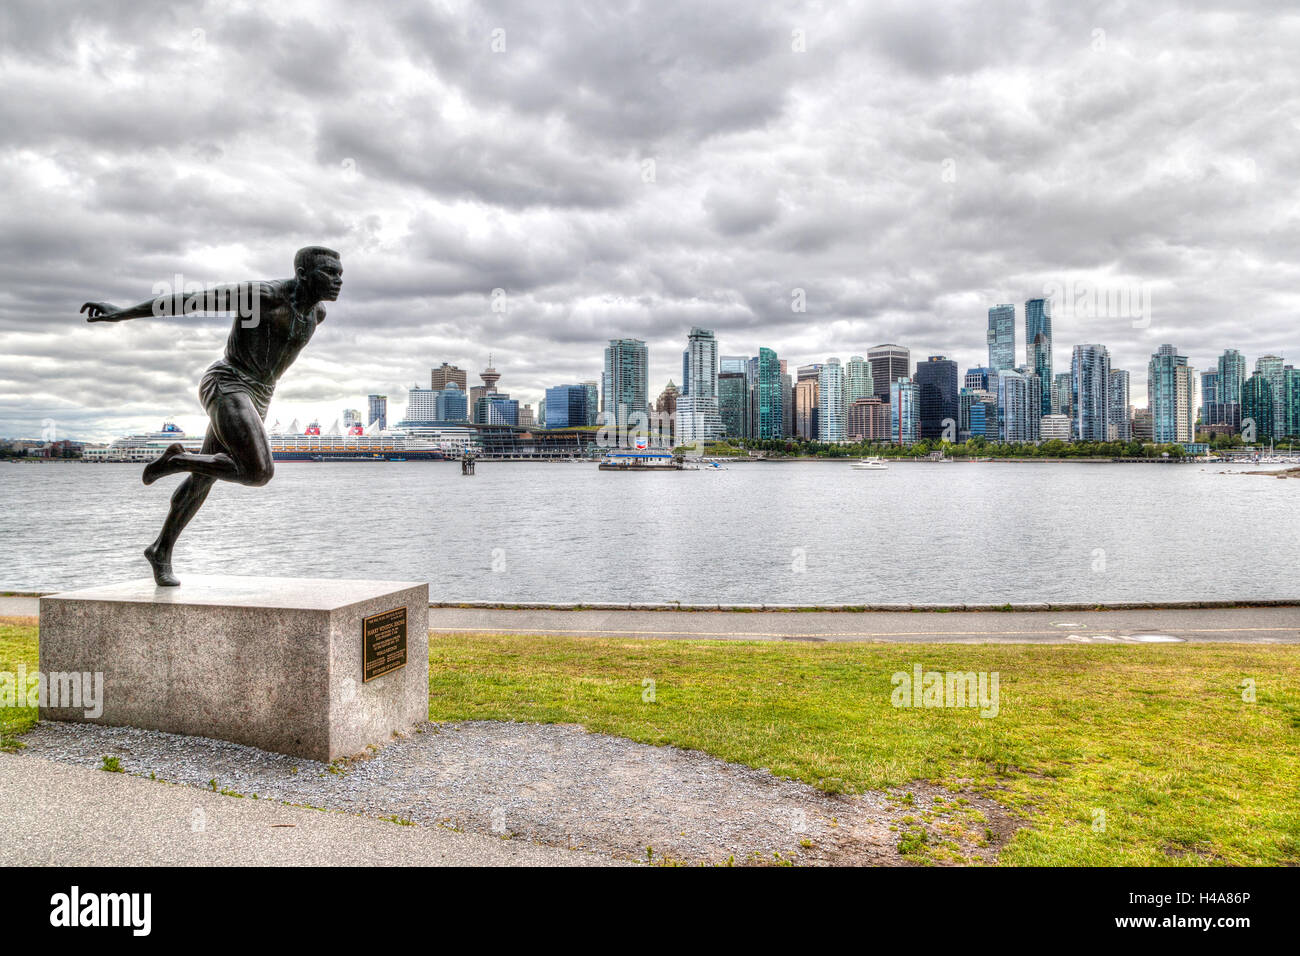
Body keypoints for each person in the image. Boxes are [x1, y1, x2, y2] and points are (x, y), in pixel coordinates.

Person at [80, 246, 343, 586]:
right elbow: (192, 300)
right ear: (303, 274)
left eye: (340, 274)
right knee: (258, 472)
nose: (338, 281)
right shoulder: (261, 296)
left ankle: (161, 550)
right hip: (227, 384)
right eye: (329, 273)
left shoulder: (317, 313)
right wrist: (122, 314)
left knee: (203, 478)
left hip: (260, 396)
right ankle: (176, 461)